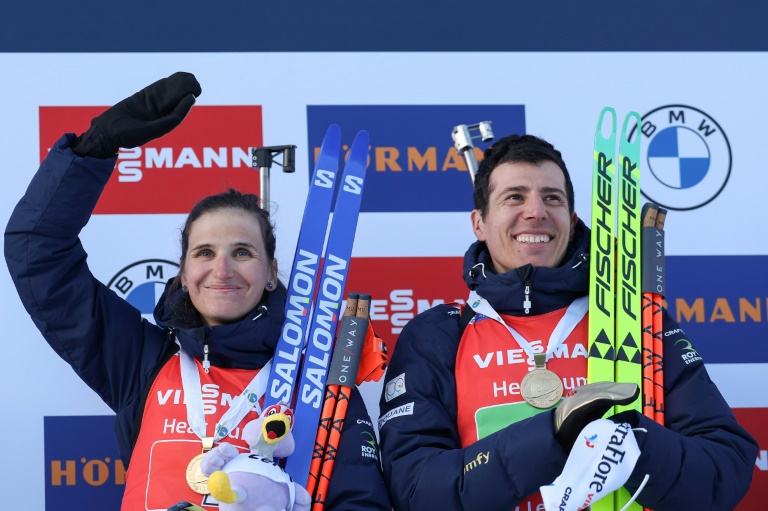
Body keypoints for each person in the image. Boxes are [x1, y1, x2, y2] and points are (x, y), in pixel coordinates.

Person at [5, 72, 390, 511]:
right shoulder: (142, 361)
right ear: (184, 273)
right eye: (204, 253)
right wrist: (95, 147)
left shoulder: (319, 383)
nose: (221, 269)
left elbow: (362, 503)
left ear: (271, 273)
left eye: (242, 252)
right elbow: (36, 252)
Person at [377, 133, 758, 510]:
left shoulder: (632, 320)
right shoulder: (439, 334)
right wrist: (553, 433)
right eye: (514, 196)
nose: (536, 212)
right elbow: (416, 489)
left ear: (572, 220)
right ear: (479, 223)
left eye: (552, 198)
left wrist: (631, 442)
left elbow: (724, 470)